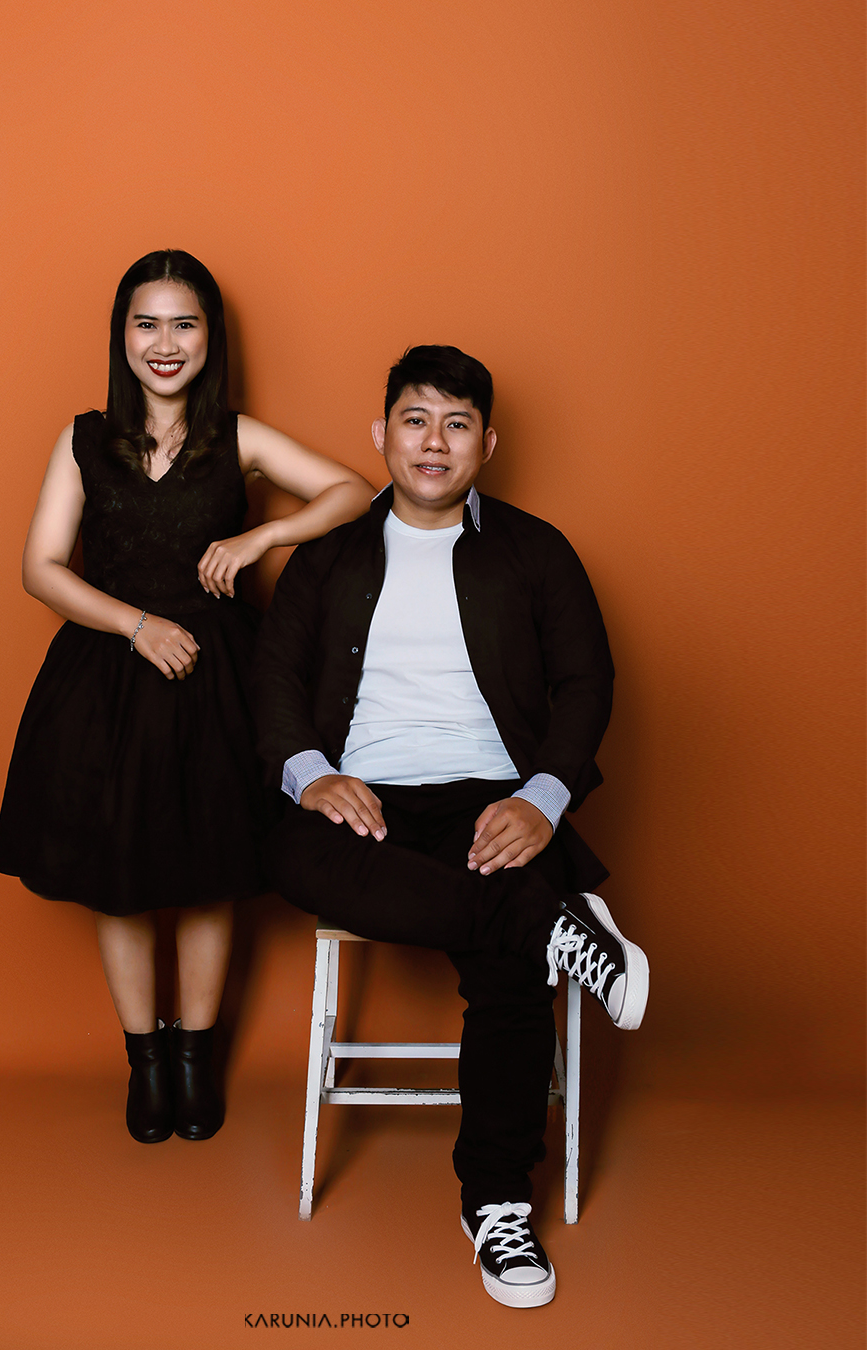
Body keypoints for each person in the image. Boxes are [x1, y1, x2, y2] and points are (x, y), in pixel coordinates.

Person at [255, 345, 649, 1309]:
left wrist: (542, 799)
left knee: (512, 966)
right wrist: (312, 777)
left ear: (487, 443)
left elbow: (586, 682)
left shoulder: (536, 550)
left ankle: (497, 1204)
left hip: (494, 797)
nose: (434, 441)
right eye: (417, 419)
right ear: (380, 433)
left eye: (457, 423)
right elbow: (270, 680)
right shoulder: (329, 556)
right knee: (310, 856)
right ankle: (558, 927)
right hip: (365, 798)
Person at [0, 250, 374, 1146]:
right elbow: (38, 568)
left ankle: (196, 1059)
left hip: (218, 683)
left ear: (211, 338)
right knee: (119, 886)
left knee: (209, 876)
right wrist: (135, 626)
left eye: (185, 324)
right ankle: (147, 1063)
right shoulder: (82, 438)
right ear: (123, 336)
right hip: (108, 682)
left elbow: (354, 492)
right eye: (147, 324)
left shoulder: (236, 439)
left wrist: (261, 535)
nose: (165, 344)